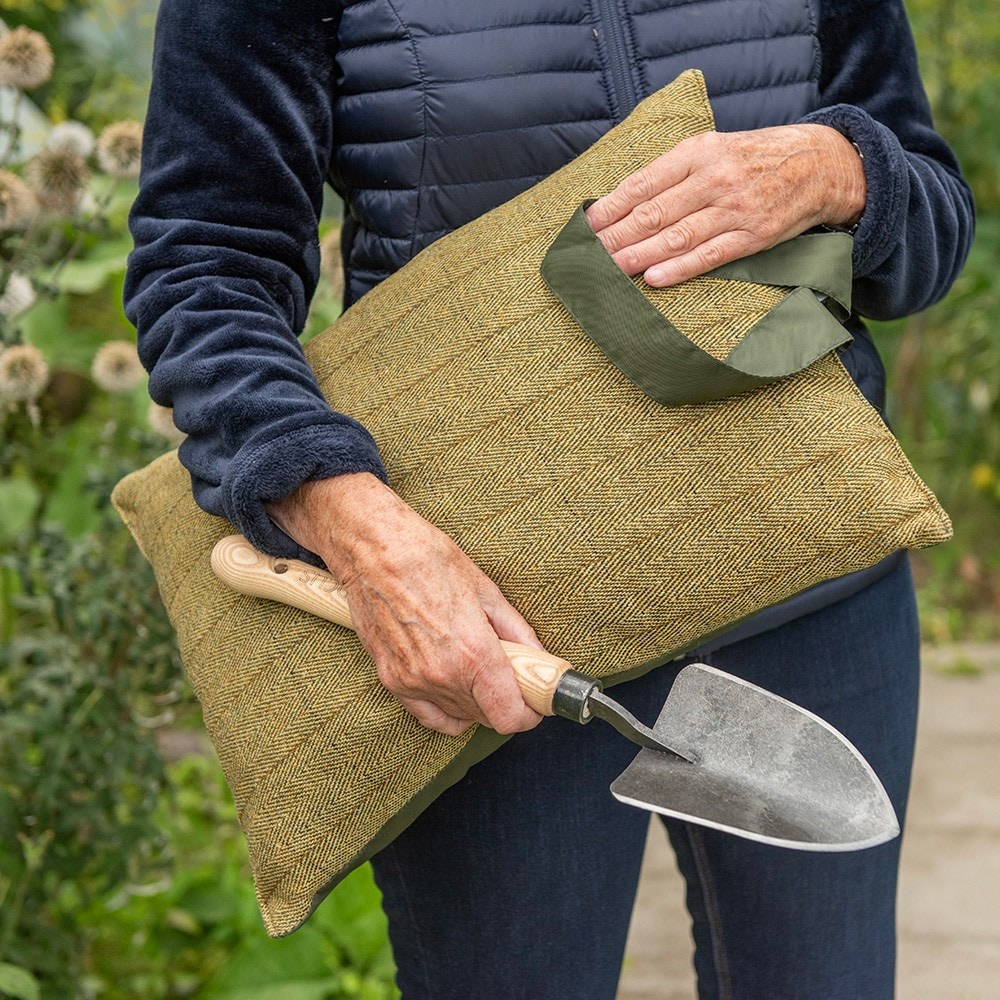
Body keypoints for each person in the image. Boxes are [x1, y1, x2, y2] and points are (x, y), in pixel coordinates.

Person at [126, 1, 974, 997]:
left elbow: (927, 229)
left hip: (810, 572)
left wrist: (843, 171)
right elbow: (204, 266)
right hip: (497, 622)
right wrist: (355, 529)